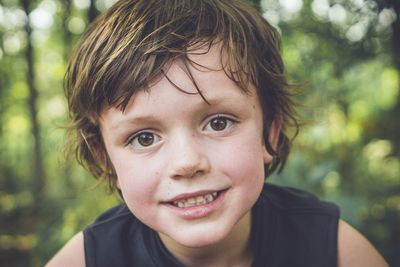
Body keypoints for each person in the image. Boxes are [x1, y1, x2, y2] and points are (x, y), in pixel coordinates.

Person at [46, 0, 389, 266]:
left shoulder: (335, 252)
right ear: (104, 157)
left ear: (270, 129)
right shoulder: (86, 260)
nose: (187, 162)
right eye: (144, 138)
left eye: (219, 122)